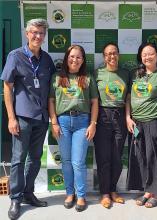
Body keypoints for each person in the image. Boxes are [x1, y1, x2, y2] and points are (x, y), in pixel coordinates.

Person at [1, 19, 56, 220]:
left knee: (34, 159)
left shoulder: (47, 59)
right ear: (27, 34)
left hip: (41, 118)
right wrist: (11, 118)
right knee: (18, 159)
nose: (38, 36)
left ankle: (28, 192)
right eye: (34, 32)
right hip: (21, 117)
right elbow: (7, 87)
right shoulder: (15, 56)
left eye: (41, 33)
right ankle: (15, 198)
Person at [48, 45, 98, 212]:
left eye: (78, 57)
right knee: (67, 161)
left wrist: (93, 123)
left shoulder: (87, 78)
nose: (74, 60)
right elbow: (51, 101)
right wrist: (54, 122)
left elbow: (94, 102)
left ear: (83, 60)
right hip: (62, 122)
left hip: (82, 122)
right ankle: (70, 193)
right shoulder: (57, 77)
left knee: (78, 162)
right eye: (72, 56)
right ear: (66, 58)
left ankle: (81, 195)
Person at [126, 42, 157, 208]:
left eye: (150, 53)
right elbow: (128, 98)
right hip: (137, 123)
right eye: (144, 54)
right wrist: (128, 117)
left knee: (155, 157)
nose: (147, 56)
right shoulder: (136, 75)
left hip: (155, 120)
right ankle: (147, 191)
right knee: (142, 157)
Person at [93, 42, 130, 208]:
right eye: (108, 54)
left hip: (120, 116)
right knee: (103, 158)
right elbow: (92, 99)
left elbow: (129, 98)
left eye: (114, 53)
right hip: (102, 116)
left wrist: (128, 117)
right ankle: (105, 193)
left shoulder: (126, 74)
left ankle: (113, 190)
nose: (112, 56)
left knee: (116, 156)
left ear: (119, 54)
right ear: (104, 57)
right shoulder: (97, 73)